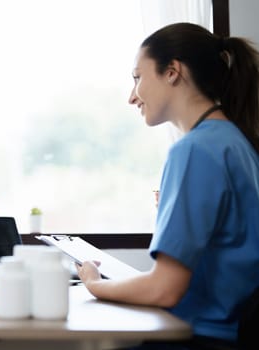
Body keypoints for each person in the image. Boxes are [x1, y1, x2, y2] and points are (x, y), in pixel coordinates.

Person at [77, 22, 259, 349]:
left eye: (137, 77)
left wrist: (93, 283)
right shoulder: (236, 143)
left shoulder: (195, 150)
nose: (132, 96)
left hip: (201, 337)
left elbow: (165, 289)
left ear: (172, 71)